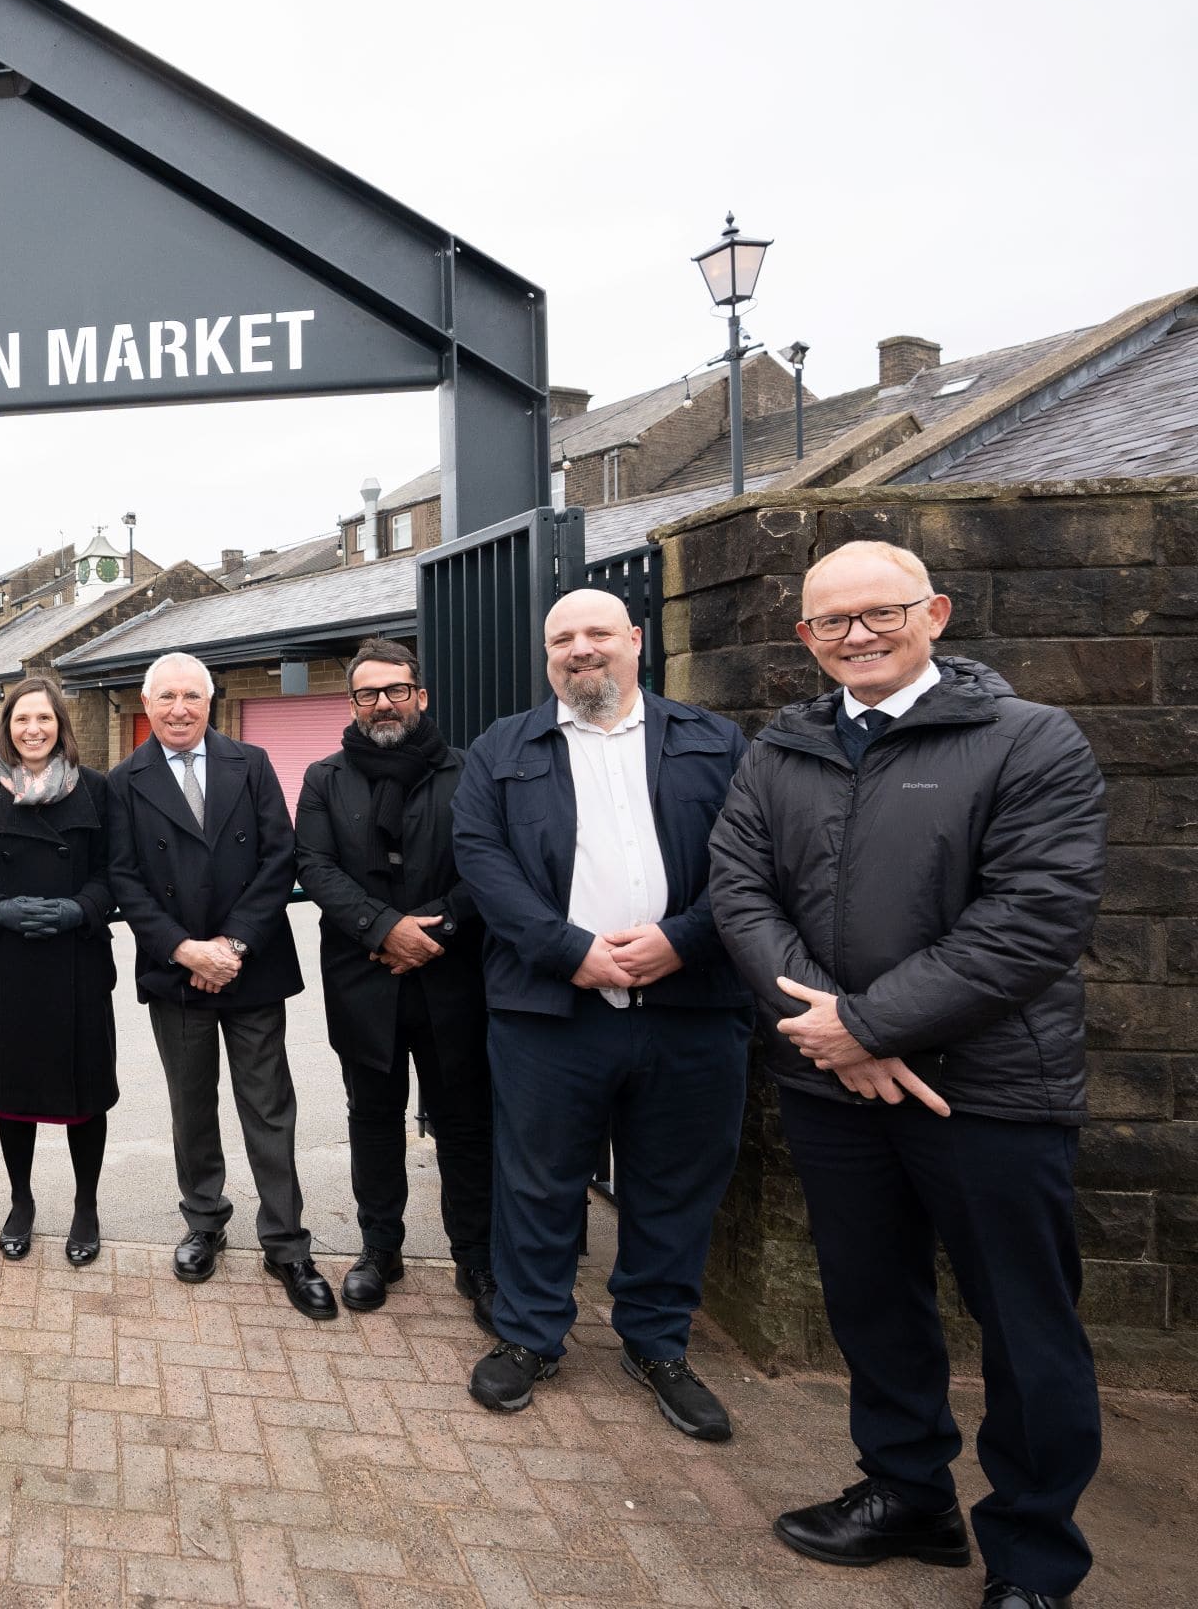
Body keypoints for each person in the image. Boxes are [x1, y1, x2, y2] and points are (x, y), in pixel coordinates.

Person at [708, 541, 1106, 1609]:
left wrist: (869, 1025)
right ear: (804, 637)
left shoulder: (1028, 739)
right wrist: (833, 1033)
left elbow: (1032, 919)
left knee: (1024, 1323)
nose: (855, 635)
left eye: (878, 612)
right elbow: (740, 896)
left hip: (988, 1090)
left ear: (931, 610)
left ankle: (1031, 1556)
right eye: (830, 621)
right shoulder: (778, 751)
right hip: (833, 1085)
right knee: (871, 1299)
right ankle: (905, 1490)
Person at [451, 589, 752, 1438]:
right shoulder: (501, 750)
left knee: (675, 1180)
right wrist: (568, 950)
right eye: (562, 639)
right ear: (547, 655)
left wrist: (683, 941)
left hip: (689, 1003)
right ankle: (529, 1334)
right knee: (538, 1178)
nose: (580, 650)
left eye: (596, 634)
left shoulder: (714, 742)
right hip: (551, 1009)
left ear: (635, 641)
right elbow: (482, 860)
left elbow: (753, 859)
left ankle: (656, 1342)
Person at [108, 651, 334, 1321]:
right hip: (176, 970)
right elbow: (123, 878)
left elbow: (278, 857)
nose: (179, 709)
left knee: (269, 1106)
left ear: (210, 702)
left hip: (249, 965)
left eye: (192, 696)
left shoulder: (252, 763)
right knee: (192, 1105)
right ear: (147, 705)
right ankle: (204, 1220)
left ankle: (287, 1242)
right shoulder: (123, 781)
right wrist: (185, 950)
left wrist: (229, 946)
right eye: (166, 697)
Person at [294, 640, 496, 1323]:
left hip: (452, 978)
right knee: (373, 1120)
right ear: (351, 703)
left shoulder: (469, 772)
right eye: (367, 693)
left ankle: (477, 1257)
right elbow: (315, 868)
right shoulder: (325, 778)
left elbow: (490, 865)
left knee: (466, 1123)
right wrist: (384, 928)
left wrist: (432, 934)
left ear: (421, 696)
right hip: (365, 978)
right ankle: (380, 1249)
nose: (382, 703)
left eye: (396, 690)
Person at [0, 675, 117, 1265]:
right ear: (7, 728)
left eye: (43, 719)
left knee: (83, 1096)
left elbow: (114, 874)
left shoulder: (96, 788)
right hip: (6, 967)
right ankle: (20, 1201)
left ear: (60, 725)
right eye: (22, 720)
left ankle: (86, 1206)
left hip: (76, 964)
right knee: (12, 1097)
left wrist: (79, 910)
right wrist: (0, 909)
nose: (33, 730)